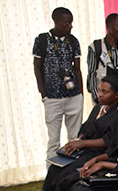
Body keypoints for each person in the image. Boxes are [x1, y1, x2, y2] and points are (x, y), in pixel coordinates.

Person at [39, 73, 118, 191]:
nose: (100, 94)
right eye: (99, 90)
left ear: (116, 94)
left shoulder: (117, 115)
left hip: (97, 152)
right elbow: (86, 127)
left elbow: (107, 141)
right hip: (85, 148)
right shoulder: (99, 107)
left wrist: (83, 144)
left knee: (68, 173)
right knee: (57, 166)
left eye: (105, 92)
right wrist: (78, 140)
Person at [33, 7, 84, 165]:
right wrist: (43, 94)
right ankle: (51, 175)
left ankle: (72, 173)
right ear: (56, 21)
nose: (70, 26)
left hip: (73, 96)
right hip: (52, 98)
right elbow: (37, 68)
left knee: (75, 139)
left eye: (71, 23)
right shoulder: (42, 40)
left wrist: (81, 94)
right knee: (53, 141)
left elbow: (77, 69)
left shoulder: (73, 41)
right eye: (67, 22)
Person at [86, 14, 118, 104]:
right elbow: (92, 74)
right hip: (102, 97)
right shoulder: (96, 47)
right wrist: (97, 98)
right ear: (109, 27)